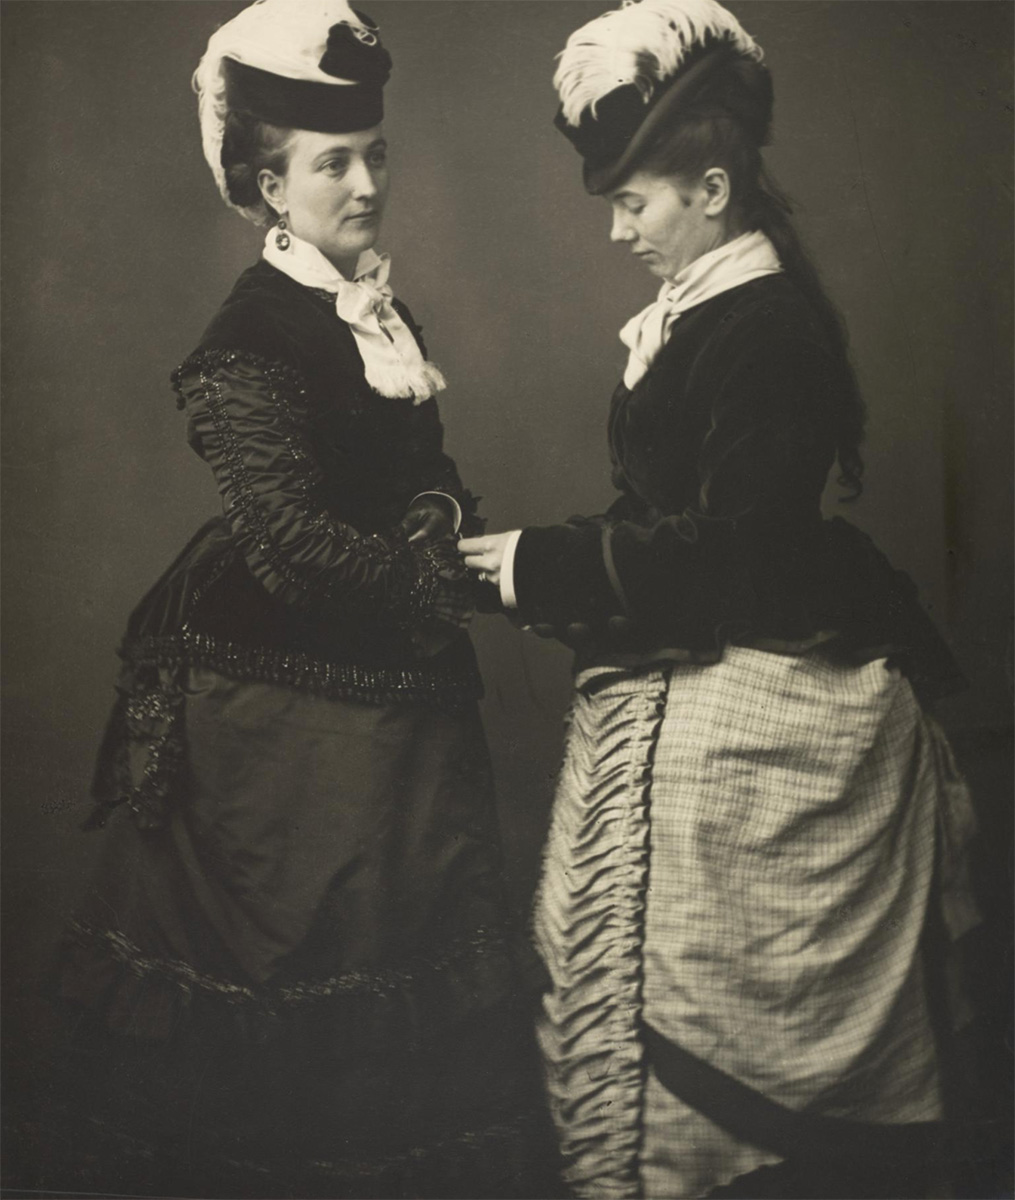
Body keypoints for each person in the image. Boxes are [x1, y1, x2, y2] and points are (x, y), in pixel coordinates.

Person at [461, 1, 981, 1196]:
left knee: (712, 1007)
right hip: (696, 660)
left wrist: (548, 562)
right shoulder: (701, 314)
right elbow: (669, 527)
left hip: (777, 685)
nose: (614, 231)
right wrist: (528, 558)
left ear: (707, 187)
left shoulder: (766, 326)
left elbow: (742, 552)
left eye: (630, 202)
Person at [51, 3, 552, 1196]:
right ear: (270, 189)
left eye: (375, 154)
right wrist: (440, 573)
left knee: (403, 954)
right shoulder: (249, 336)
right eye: (334, 162)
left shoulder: (375, 307)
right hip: (273, 697)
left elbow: (422, 466)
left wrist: (435, 514)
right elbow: (289, 547)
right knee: (296, 966)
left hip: (399, 669)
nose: (367, 182)